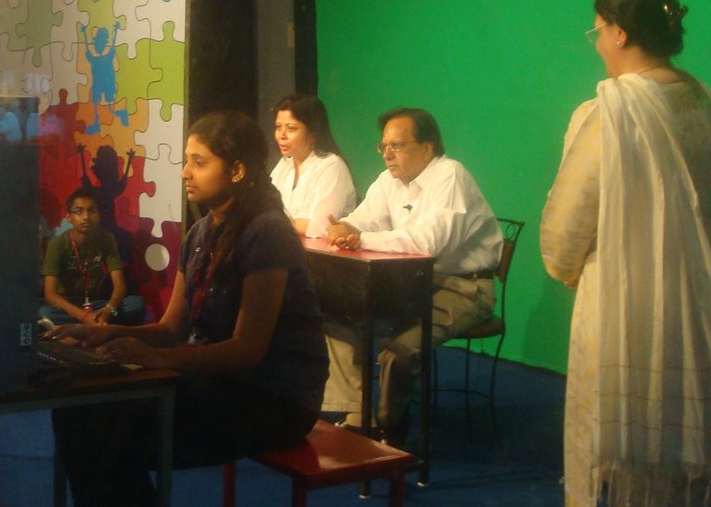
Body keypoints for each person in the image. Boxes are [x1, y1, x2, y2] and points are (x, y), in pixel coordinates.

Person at [541, 0, 711, 506]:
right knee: (696, 442)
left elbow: (572, 213)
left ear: (620, 33)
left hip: (631, 289)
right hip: (709, 283)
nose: (597, 44)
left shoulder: (611, 110)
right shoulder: (701, 98)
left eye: (598, 32)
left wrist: (564, 265)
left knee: (633, 449)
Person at [48, 110, 327, 505]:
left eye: (199, 162)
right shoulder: (200, 233)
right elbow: (170, 329)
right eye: (186, 161)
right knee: (77, 410)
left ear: (237, 170)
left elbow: (247, 351)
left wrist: (154, 358)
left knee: (109, 427)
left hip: (274, 399)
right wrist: (104, 331)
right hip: (219, 381)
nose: (185, 172)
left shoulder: (267, 231)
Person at [322, 107, 502, 443]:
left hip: (465, 288)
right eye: (384, 146)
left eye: (397, 145)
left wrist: (361, 238)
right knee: (335, 315)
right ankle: (359, 414)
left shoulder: (450, 176)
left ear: (427, 147)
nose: (387, 154)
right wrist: (344, 227)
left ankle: (390, 431)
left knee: (398, 350)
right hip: (413, 284)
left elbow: (428, 244)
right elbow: (360, 220)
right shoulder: (388, 180)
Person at [41, 189, 145, 326]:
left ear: (99, 215)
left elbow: (120, 286)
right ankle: (94, 323)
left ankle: (95, 321)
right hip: (66, 307)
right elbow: (50, 294)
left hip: (94, 304)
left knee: (136, 303)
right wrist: (83, 316)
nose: (86, 217)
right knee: (45, 313)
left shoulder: (106, 239)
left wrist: (109, 310)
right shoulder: (58, 243)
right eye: (79, 212)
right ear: (69, 217)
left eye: (91, 211)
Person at [269, 94, 357, 238]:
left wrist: (275, 223)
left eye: (291, 129)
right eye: (278, 127)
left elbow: (320, 227)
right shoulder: (284, 164)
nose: (282, 135)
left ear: (313, 132)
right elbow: (264, 211)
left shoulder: (332, 166)